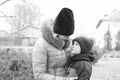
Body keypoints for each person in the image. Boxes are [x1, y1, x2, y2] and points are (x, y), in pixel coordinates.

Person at [32, 7, 77, 80]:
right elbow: (39, 75)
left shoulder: (65, 43)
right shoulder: (41, 44)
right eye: (66, 35)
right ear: (57, 33)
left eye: (69, 35)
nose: (68, 38)